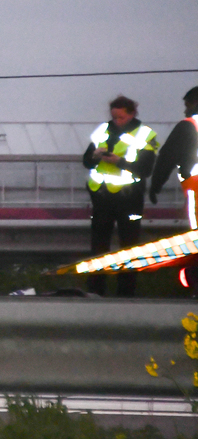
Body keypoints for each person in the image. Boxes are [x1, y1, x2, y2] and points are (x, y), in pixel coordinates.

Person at [82, 95, 158, 296]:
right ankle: (96, 292)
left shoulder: (145, 135)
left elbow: (145, 169)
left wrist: (120, 162)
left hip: (130, 199)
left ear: (132, 114)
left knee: (129, 248)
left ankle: (126, 294)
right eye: (114, 117)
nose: (117, 121)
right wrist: (94, 156)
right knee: (98, 247)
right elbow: (86, 161)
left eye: (121, 117)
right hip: (102, 198)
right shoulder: (102, 130)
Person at [148, 86, 198, 231]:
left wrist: (156, 185)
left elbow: (167, 158)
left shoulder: (189, 126)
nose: (185, 111)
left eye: (187, 106)